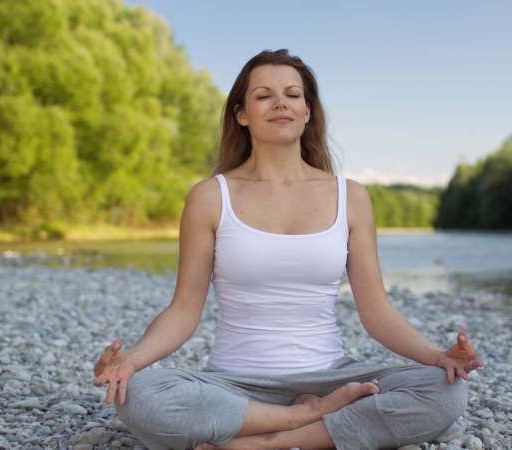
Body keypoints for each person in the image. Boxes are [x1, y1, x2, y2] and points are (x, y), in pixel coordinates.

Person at [92, 49, 484, 450]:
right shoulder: (211, 197)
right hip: (235, 384)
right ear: (241, 114)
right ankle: (308, 416)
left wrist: (438, 356)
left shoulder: (351, 197)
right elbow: (183, 311)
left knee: (445, 390)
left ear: (307, 111)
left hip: (330, 376)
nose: (280, 102)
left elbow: (377, 311)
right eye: (263, 95)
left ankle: (257, 443)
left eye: (292, 94)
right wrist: (133, 360)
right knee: (139, 395)